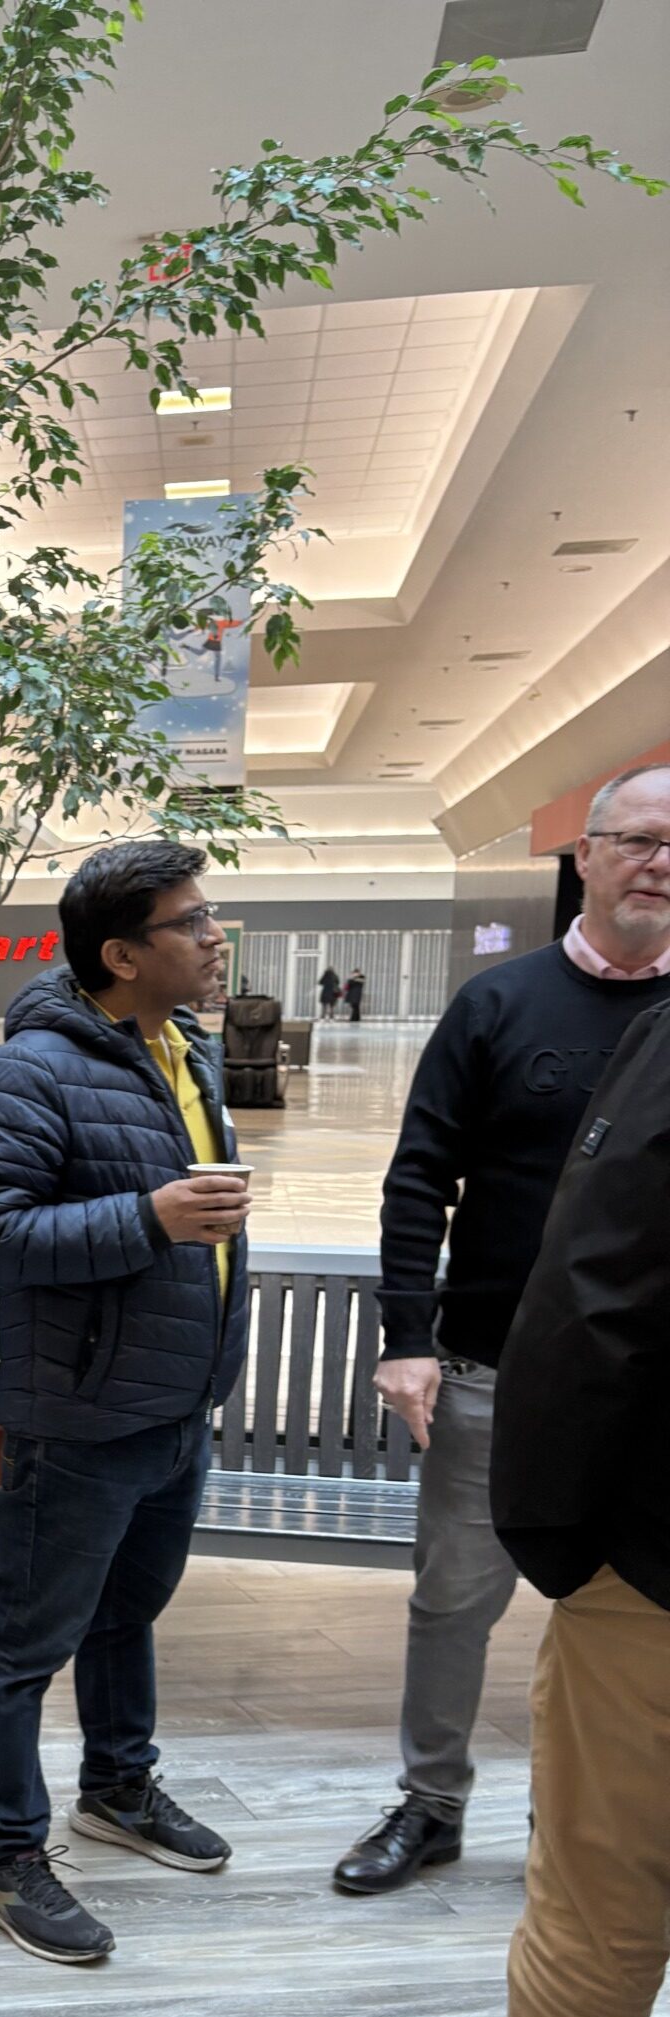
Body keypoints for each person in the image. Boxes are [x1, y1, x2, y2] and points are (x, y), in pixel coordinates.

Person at [316, 990, 670, 2017]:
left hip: (654, 1559)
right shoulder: (506, 1005)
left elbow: (602, 1284)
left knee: (602, 1898)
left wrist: (560, 1529)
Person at [333, 765, 670, 1895]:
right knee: (454, 1599)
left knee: (624, 1606)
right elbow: (419, 1178)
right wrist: (406, 1337)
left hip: (649, 1391)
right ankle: (431, 1804)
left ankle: (576, 1816)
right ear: (588, 853)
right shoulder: (497, 1004)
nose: (659, 865)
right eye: (639, 840)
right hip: (489, 1368)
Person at [0, 840, 248, 1964]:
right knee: (25, 1643)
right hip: (78, 1415)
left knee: (130, 1614)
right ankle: (3, 1854)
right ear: (122, 955)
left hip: (176, 1402)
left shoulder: (186, 1050)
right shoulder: (31, 1070)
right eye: (191, 921)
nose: (214, 937)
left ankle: (118, 1787)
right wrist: (148, 1219)